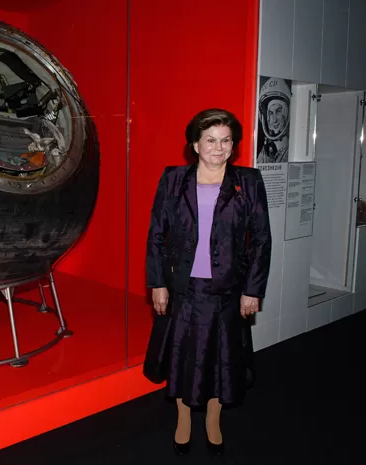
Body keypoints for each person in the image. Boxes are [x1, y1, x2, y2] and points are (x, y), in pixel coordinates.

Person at [144, 108, 272, 457]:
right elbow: (156, 235)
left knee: (220, 360)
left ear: (234, 144)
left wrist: (252, 290)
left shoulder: (248, 181)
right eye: (211, 140)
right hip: (183, 288)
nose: (219, 148)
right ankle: (183, 418)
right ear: (195, 145)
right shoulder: (173, 179)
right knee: (182, 358)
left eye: (226, 140)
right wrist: (158, 283)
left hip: (227, 290)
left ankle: (213, 421)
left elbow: (261, 240)